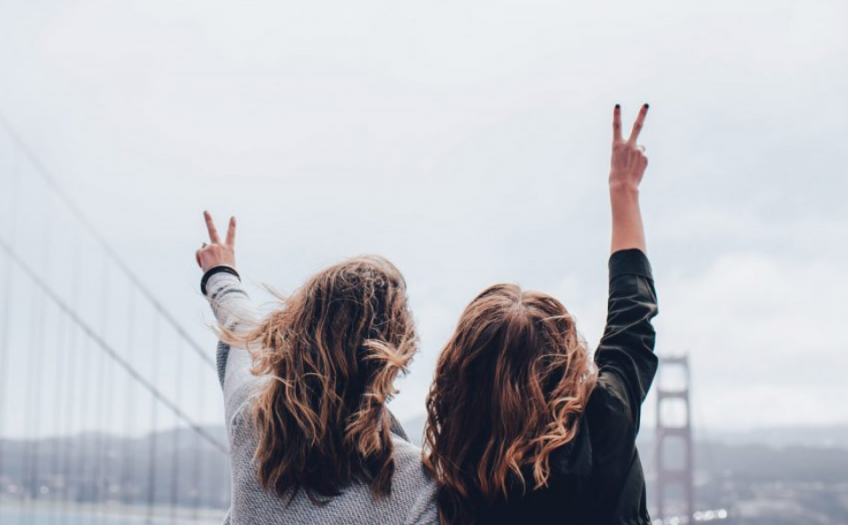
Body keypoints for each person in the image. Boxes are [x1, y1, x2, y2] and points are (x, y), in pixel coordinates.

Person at [422, 104, 659, 525]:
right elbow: (632, 320)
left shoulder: (456, 479)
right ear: (565, 359)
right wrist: (624, 190)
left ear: (462, 378)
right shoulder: (606, 419)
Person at [195, 213, 438, 525]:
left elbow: (240, 325)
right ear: (397, 355)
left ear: (295, 333)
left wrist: (220, 272)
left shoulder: (250, 419)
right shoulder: (420, 487)